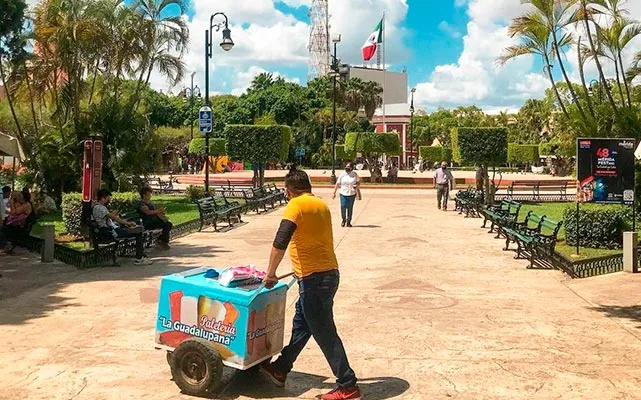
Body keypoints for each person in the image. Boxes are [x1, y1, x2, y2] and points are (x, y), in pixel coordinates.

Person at [259, 166, 360, 400]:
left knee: (324, 331)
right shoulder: (320, 205)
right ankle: (281, 369)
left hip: (315, 279)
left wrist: (270, 273)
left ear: (288, 190)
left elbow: (281, 240)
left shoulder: (295, 205)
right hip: (326, 274)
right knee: (303, 325)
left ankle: (348, 385)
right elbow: (311, 239)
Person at [92, 189, 153, 265]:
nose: (109, 200)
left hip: (112, 230)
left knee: (137, 229)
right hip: (111, 232)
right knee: (138, 232)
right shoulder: (100, 208)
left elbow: (109, 218)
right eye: (108, 198)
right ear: (103, 198)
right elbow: (114, 218)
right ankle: (139, 258)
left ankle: (141, 256)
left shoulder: (99, 207)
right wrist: (127, 223)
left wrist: (125, 223)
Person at [138, 186, 172, 250]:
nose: (150, 195)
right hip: (148, 222)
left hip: (155, 220)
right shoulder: (142, 203)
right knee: (166, 225)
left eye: (151, 193)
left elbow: (155, 212)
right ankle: (162, 241)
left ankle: (161, 240)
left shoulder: (150, 203)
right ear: (144, 195)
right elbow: (148, 212)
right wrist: (158, 211)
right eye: (149, 194)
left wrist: (162, 214)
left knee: (168, 224)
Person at [332, 162, 361, 228]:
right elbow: (337, 183)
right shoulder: (342, 174)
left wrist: (356, 185)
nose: (347, 169)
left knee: (350, 208)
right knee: (343, 206)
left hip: (352, 193)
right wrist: (334, 192)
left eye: (348, 167)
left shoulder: (354, 174)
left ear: (352, 168)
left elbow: (358, 182)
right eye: (346, 167)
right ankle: (343, 220)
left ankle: (348, 221)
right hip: (343, 193)